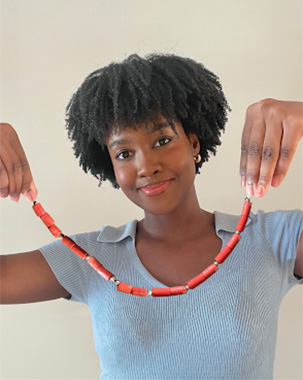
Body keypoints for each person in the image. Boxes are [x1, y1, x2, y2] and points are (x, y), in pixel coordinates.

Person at [0, 54, 302, 380]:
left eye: (162, 140)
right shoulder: (87, 258)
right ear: (112, 168)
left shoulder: (272, 240)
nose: (146, 166)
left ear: (193, 142)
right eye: (124, 153)